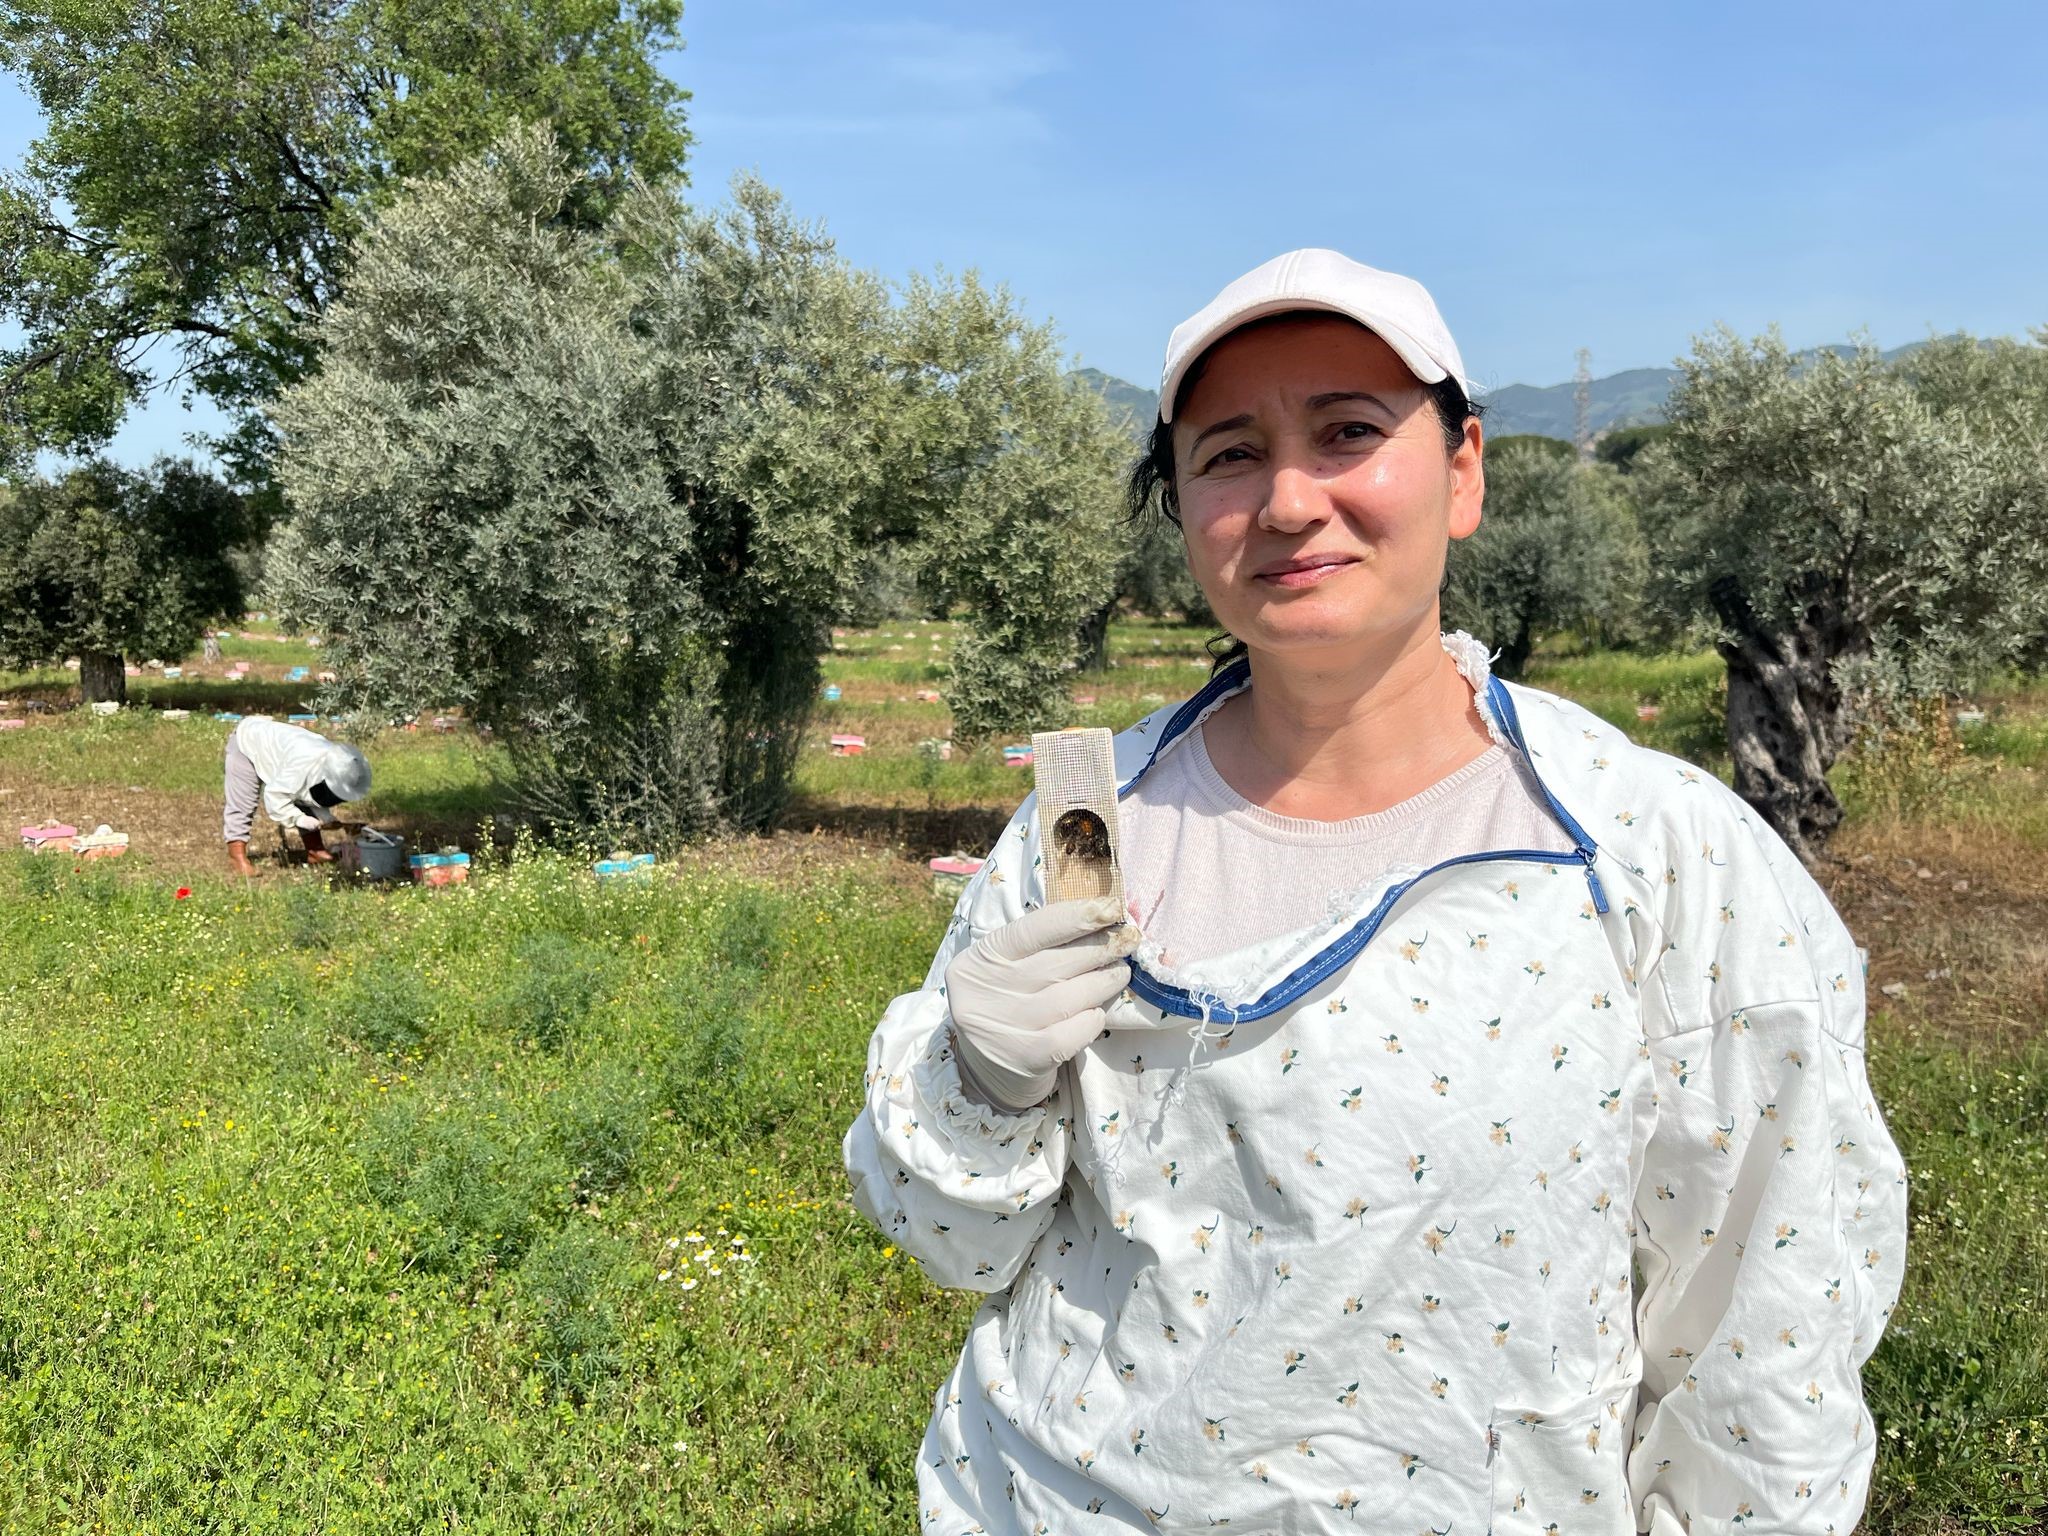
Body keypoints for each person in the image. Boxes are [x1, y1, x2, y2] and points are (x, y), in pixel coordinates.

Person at [844, 249, 1908, 1535]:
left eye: (1347, 433)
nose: (1289, 501)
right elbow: (956, 1247)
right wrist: (973, 1081)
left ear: (1462, 471)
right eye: (1228, 454)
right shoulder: (1086, 828)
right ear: (1179, 506)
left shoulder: (1653, 852)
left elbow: (1765, 1312)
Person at [223, 714, 372, 875]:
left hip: (282, 749)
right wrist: (299, 819)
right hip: (247, 743)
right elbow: (275, 796)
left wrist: (327, 820)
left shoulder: (336, 763)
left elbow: (309, 795)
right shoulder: (301, 765)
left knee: (299, 796)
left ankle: (315, 852)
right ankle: (236, 858)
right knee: (244, 802)